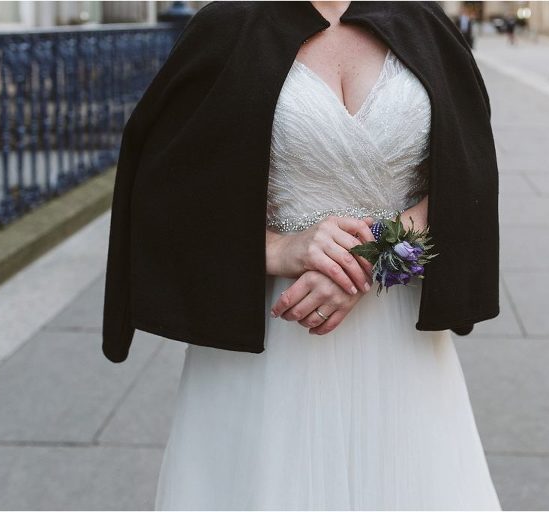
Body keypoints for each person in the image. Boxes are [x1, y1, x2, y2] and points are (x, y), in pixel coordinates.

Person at [149, 1, 502, 510]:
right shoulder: (227, 24)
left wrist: (368, 255)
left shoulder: (423, 21)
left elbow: (468, 168)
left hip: (400, 339)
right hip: (269, 331)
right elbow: (165, 188)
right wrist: (276, 246)